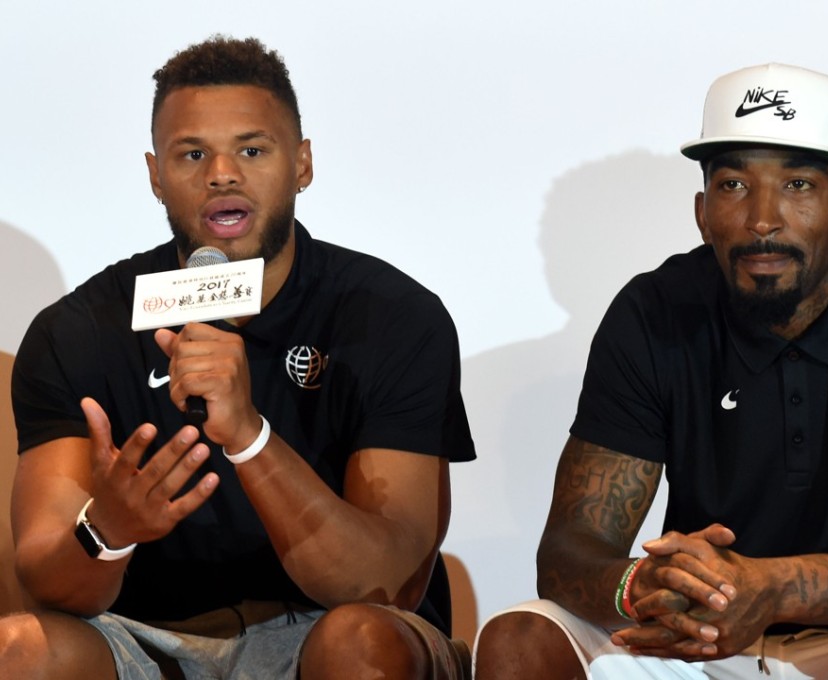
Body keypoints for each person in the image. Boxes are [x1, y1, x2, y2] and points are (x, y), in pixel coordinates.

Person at [473, 63, 828, 679]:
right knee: (521, 636)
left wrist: (779, 586)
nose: (763, 218)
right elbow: (569, 552)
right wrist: (644, 583)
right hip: (708, 638)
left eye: (799, 185)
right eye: (734, 184)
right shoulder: (654, 311)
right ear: (703, 212)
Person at [1, 35, 475, 680]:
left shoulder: (392, 316)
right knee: (22, 652)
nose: (222, 172)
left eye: (252, 150)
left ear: (302, 163)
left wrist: (251, 438)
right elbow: (48, 585)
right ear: (155, 175)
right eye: (192, 154)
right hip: (146, 634)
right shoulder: (78, 331)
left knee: (361, 643)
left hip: (324, 628)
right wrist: (106, 530)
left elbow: (384, 584)